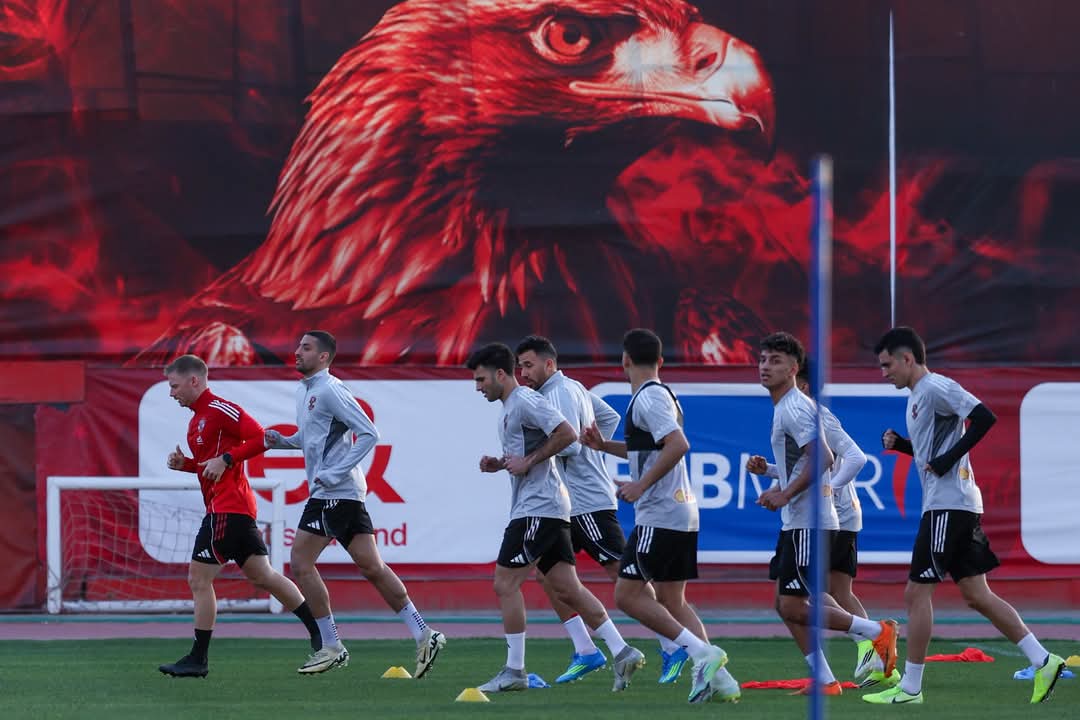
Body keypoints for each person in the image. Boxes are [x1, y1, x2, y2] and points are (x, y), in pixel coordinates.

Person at [863, 326, 1065, 705]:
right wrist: (903, 445)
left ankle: (910, 688)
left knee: (915, 594)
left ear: (908, 358)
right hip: (955, 503)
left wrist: (946, 460)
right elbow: (935, 453)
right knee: (976, 595)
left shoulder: (936, 387)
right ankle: (1044, 660)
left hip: (948, 506)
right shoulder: (918, 396)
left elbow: (984, 417)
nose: (884, 372)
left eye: (887, 365)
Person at [467, 342, 645, 693]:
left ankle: (515, 671)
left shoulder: (526, 401)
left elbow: (567, 434)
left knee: (505, 584)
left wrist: (529, 461)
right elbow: (530, 453)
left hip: (538, 508)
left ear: (500, 374)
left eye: (480, 379)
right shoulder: (514, 406)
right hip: (549, 506)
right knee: (567, 588)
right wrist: (501, 464)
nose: (478, 387)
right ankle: (622, 651)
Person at [264, 331, 445, 676]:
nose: (297, 351)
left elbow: (369, 433)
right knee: (372, 567)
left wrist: (334, 473)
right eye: (298, 345)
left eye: (306, 348)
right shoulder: (305, 391)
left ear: (324, 357)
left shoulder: (331, 390)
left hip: (335, 493)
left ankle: (331, 646)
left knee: (301, 562)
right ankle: (424, 633)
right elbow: (311, 438)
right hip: (341, 492)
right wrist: (283, 441)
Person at [515, 335, 688, 685]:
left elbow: (570, 447)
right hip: (567, 502)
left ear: (549, 364)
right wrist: (595, 445)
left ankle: (672, 644)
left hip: (587, 501)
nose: (524, 374)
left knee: (623, 576)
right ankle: (585, 649)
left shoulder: (557, 394)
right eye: (520, 367)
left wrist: (534, 453)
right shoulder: (573, 387)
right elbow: (607, 417)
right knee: (548, 576)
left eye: (529, 365)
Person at [581, 328, 740, 705]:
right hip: (681, 511)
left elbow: (678, 445)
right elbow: (651, 450)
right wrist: (604, 446)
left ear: (624, 360)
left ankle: (701, 654)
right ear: (661, 361)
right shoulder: (661, 394)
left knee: (627, 595)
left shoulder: (648, 398)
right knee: (673, 600)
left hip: (661, 513)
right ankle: (722, 680)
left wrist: (640, 485)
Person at [750, 332, 899, 697]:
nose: (766, 367)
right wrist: (775, 480)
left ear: (794, 369)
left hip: (810, 522)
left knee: (797, 603)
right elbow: (805, 463)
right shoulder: (787, 406)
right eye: (763, 359)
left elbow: (825, 458)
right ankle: (826, 680)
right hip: (800, 520)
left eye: (776, 361)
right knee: (786, 604)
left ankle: (876, 632)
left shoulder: (795, 407)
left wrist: (785, 493)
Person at [158, 354, 321, 677]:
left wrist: (228, 458)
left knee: (199, 579)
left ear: (194, 380)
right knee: (264, 576)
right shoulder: (197, 419)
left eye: (174, 386)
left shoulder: (220, 408)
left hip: (227, 508)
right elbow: (212, 468)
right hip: (232, 509)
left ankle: (198, 659)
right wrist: (187, 465)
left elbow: (263, 437)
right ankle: (321, 634)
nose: (171, 393)